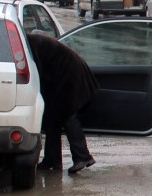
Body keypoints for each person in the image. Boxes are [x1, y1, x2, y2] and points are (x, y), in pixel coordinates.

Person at [25, 32, 99, 175]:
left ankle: (83, 157)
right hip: (59, 76)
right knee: (52, 119)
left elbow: (35, 72)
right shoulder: (30, 42)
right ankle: (52, 160)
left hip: (70, 75)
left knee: (68, 114)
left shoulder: (28, 44)